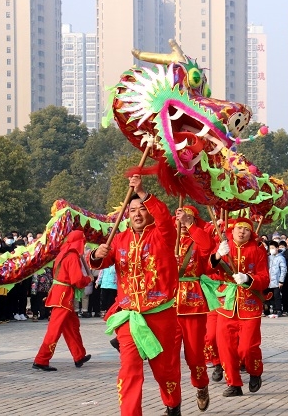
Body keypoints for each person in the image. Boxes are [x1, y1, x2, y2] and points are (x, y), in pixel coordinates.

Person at [89, 173, 181, 416]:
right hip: (129, 316)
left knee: (164, 371)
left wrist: (142, 192)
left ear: (149, 211)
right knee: (129, 370)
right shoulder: (119, 239)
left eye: (141, 209)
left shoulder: (163, 235)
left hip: (160, 315)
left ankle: (173, 403)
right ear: (126, 215)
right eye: (132, 211)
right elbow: (100, 262)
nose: (137, 214)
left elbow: (164, 218)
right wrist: (96, 254)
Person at [209, 218, 269, 397]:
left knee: (247, 347)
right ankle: (233, 383)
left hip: (249, 306)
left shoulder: (257, 251)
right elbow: (208, 269)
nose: (242, 232)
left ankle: (255, 372)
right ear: (232, 230)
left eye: (246, 229)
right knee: (225, 347)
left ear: (251, 234)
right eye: (239, 228)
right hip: (226, 305)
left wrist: (248, 279)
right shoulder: (224, 247)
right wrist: (217, 256)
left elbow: (265, 278)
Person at [173, 205, 215, 412]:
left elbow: (208, 246)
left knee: (194, 354)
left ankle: (201, 385)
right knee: (168, 357)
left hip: (193, 304)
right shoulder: (166, 240)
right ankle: (172, 402)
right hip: (167, 304)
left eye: (188, 218)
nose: (181, 221)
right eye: (179, 217)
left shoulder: (198, 240)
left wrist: (190, 224)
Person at [33, 230, 92, 371]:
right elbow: (77, 280)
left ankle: (79, 356)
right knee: (55, 329)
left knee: (71, 326)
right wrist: (88, 279)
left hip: (62, 294)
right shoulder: (72, 256)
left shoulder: (63, 253)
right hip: (63, 296)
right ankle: (41, 359)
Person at [265, 241, 287, 317]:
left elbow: (283, 269)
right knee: (269, 296)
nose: (271, 250)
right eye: (270, 248)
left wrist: (281, 281)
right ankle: (269, 309)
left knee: (277, 296)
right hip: (268, 281)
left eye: (273, 248)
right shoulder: (268, 258)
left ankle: (278, 309)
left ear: (277, 248)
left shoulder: (281, 258)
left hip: (277, 281)